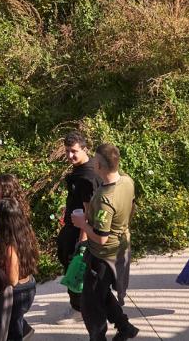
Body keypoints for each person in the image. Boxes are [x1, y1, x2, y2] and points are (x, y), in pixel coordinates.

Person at [70, 143, 137, 341]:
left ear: (99, 165)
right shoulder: (127, 181)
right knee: (101, 292)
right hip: (120, 247)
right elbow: (132, 208)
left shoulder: (103, 199)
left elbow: (101, 236)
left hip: (102, 255)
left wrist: (82, 224)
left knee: (90, 306)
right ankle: (125, 327)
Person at [57, 131, 99, 314]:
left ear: (85, 149)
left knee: (76, 270)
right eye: (67, 151)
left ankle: (84, 306)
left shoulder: (86, 177)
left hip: (79, 233)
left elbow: (89, 213)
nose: (69, 155)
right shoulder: (83, 169)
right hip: (74, 227)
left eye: (74, 151)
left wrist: (81, 244)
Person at [0, 198, 39, 341]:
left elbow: (12, 280)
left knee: (13, 331)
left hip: (18, 293)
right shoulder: (26, 235)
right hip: (29, 284)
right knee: (17, 322)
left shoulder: (10, 248)